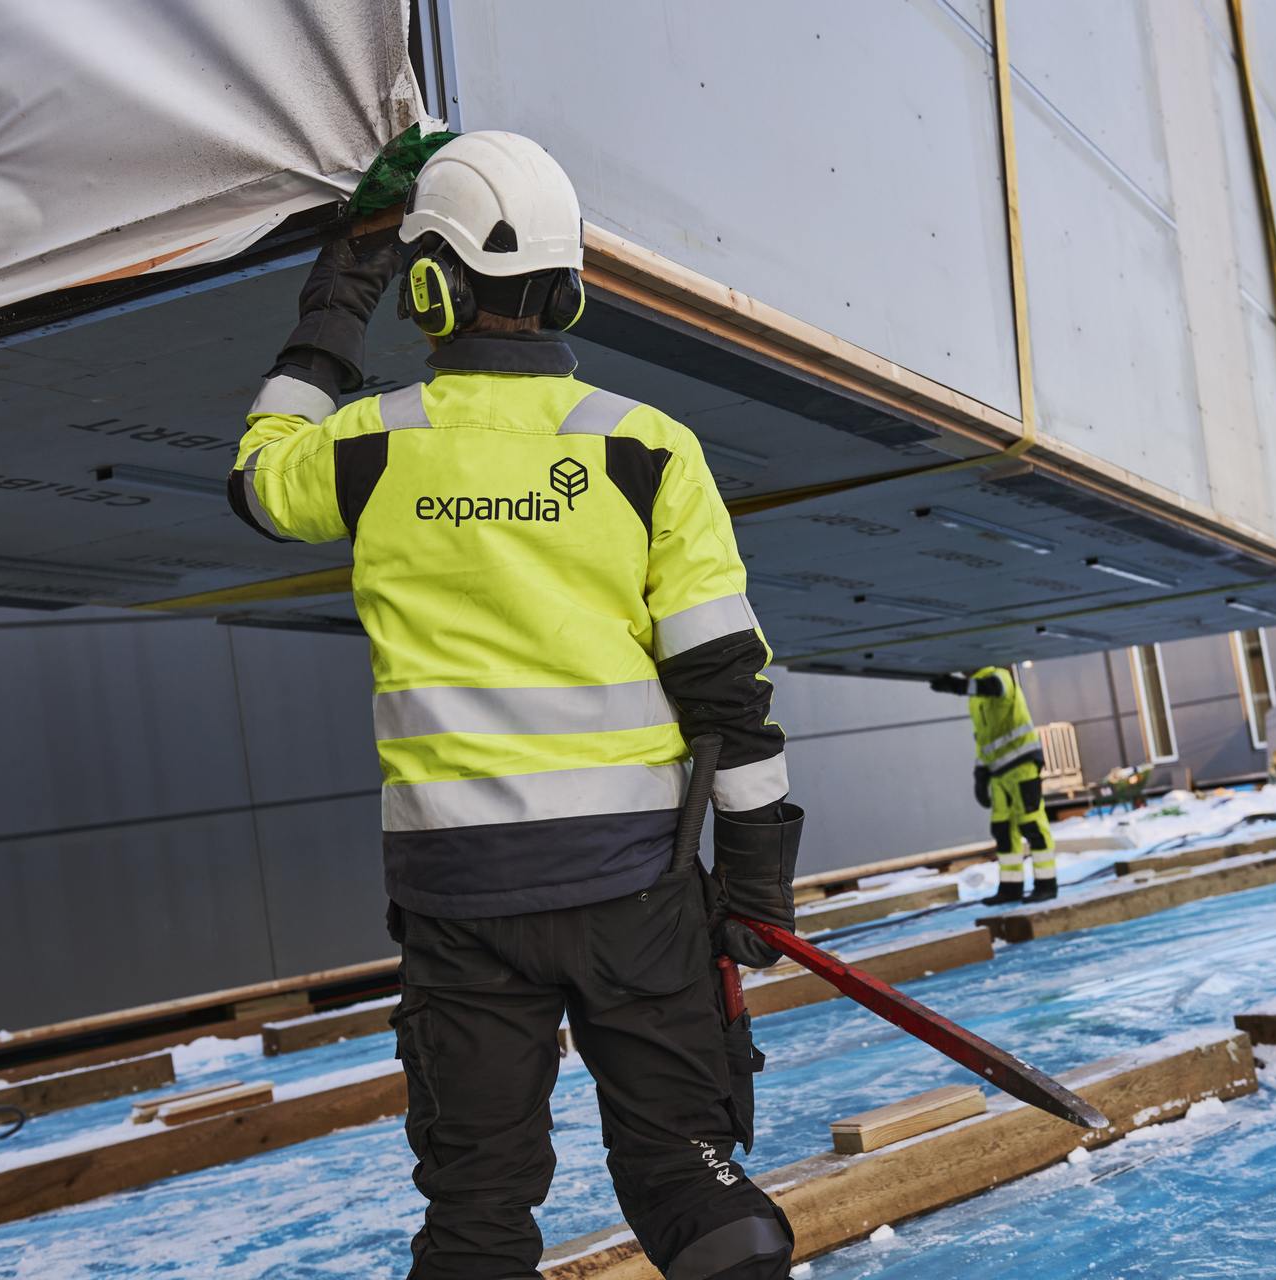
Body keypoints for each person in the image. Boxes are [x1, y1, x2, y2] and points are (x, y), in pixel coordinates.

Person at [226, 131, 800, 1280]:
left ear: (429, 287)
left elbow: (256, 473)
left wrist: (342, 282)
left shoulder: (372, 448)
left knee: (477, 1215)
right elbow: (726, 691)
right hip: (638, 892)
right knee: (691, 1176)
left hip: (461, 902)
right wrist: (755, 879)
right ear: (570, 283)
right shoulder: (648, 450)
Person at [930, 665, 1055, 904]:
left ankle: (1046, 884)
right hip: (998, 772)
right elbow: (983, 739)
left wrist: (956, 686)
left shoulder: (1000, 676)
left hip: (1021, 766)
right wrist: (980, 773)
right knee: (1003, 830)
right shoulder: (975, 699)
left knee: (1032, 826)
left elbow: (993, 687)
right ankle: (1010, 888)